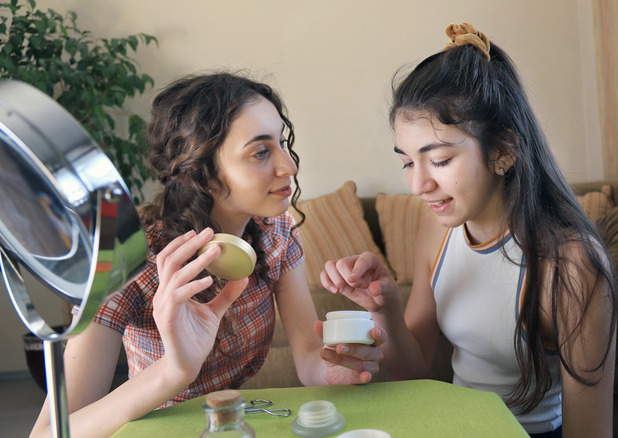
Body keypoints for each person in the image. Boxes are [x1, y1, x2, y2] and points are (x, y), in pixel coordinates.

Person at [31, 72, 384, 438]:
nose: (289, 166)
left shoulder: (275, 233)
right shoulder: (126, 260)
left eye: (281, 142)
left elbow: (310, 357)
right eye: (261, 152)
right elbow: (48, 432)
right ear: (202, 173)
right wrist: (174, 371)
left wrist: (333, 370)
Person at [320, 23, 618, 438]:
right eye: (408, 162)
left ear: (503, 150)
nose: (418, 185)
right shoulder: (437, 230)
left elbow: (589, 433)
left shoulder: (572, 263)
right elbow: (414, 367)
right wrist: (385, 307)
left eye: (440, 160)